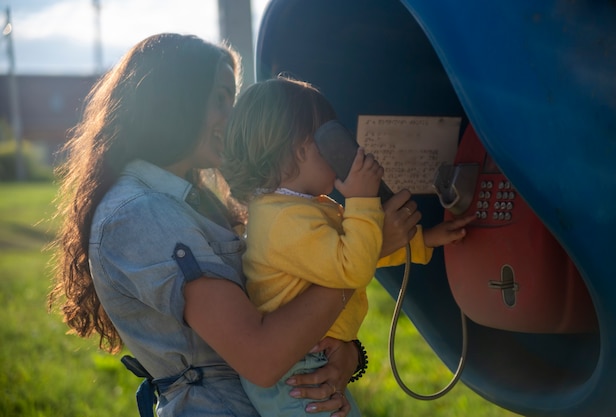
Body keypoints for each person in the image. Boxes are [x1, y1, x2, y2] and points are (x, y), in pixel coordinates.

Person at [47, 33, 422, 417]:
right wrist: (365, 254)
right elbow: (261, 359)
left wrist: (345, 358)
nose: (234, 116)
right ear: (175, 100)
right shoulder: (142, 214)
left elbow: (284, 305)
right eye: (221, 99)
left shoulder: (198, 202)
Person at [220, 76, 474, 417]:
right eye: (331, 142)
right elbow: (352, 265)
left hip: (312, 359)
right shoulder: (283, 221)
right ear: (301, 150)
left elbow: (361, 245)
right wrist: (361, 199)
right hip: (299, 372)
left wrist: (424, 240)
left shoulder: (299, 208)